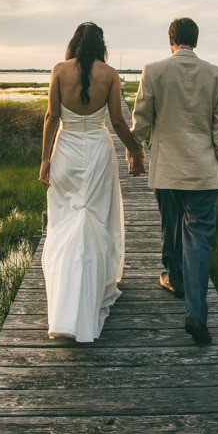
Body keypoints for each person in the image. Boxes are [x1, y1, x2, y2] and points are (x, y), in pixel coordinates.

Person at [40, 22, 145, 342]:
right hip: (98, 152)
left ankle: (65, 301)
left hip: (67, 152)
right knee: (95, 219)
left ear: (74, 43)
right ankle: (91, 291)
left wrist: (45, 159)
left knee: (67, 222)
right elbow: (116, 120)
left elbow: (51, 117)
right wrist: (136, 151)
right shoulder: (110, 75)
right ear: (101, 46)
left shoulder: (59, 70)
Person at [130, 17, 218, 345]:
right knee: (198, 235)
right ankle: (196, 313)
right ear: (196, 41)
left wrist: (136, 154)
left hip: (167, 168)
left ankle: (174, 278)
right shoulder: (217, 75)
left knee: (171, 223)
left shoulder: (154, 71)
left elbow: (141, 119)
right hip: (203, 170)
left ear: (170, 40)